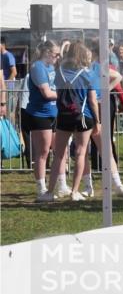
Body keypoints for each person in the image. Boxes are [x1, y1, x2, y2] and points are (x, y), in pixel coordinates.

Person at [43, 42, 97, 201]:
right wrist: (98, 120)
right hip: (83, 116)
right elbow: (93, 100)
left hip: (63, 115)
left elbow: (58, 92)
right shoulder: (88, 74)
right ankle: (74, 191)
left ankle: (49, 192)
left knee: (58, 155)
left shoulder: (59, 72)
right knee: (81, 153)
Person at [80, 40, 123, 198]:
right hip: (83, 112)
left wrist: (106, 90)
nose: (89, 58)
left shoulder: (97, 67)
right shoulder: (79, 70)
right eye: (87, 56)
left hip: (95, 111)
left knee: (106, 149)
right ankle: (87, 186)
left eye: (91, 56)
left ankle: (117, 184)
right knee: (82, 151)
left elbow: (118, 76)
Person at [24, 41, 60, 200]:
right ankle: (41, 188)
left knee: (58, 150)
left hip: (53, 112)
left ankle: (60, 184)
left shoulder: (51, 67)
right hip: (39, 114)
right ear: (46, 52)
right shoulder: (38, 67)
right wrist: (65, 95)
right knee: (43, 152)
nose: (57, 57)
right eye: (55, 54)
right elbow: (46, 93)